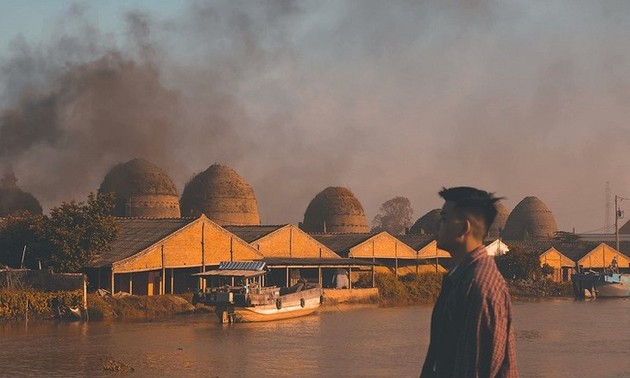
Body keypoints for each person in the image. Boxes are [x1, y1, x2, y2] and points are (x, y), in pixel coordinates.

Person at [420, 187, 518, 377]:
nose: (436, 225)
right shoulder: (461, 278)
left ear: (464, 228)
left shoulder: (480, 287)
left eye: (444, 218)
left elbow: (474, 370)